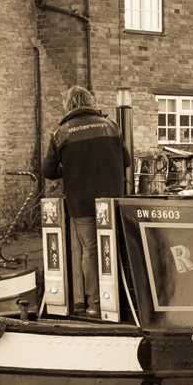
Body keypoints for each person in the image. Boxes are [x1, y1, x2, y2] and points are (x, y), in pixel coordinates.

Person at [42, 86, 130, 316]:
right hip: (112, 200)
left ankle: (95, 304)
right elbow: (126, 161)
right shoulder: (111, 126)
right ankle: (120, 301)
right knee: (113, 247)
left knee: (90, 250)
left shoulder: (61, 133)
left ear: (68, 104)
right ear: (90, 101)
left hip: (81, 202)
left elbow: (48, 171)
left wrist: (70, 168)